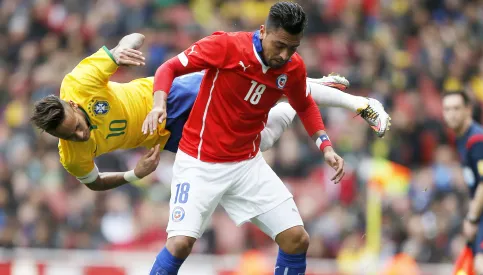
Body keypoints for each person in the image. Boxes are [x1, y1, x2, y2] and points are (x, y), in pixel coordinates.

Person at [143, 2, 389, 274]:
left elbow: (305, 105)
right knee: (180, 244)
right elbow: (168, 68)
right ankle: (347, 97)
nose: (284, 55)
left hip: (246, 164)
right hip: (199, 163)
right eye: (280, 45)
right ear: (263, 31)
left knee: (297, 239)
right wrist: (158, 104)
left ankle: (349, 98)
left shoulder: (292, 67)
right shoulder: (227, 47)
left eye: (293, 48)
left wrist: (326, 147)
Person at [30, 33, 390, 191]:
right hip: (174, 137)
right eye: (69, 136)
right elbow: (93, 184)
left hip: (172, 97)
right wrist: (132, 175)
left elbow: (136, 37)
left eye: (76, 126)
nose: (80, 135)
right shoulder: (71, 155)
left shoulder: (79, 83)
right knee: (261, 141)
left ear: (73, 106)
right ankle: (305, 88)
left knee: (256, 89)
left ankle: (362, 105)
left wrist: (123, 49)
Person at [442, 91, 483, 275]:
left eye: (456, 108)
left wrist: (472, 217)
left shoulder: (477, 140)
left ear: (468, 110)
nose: (451, 113)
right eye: (447, 109)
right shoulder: (461, 137)